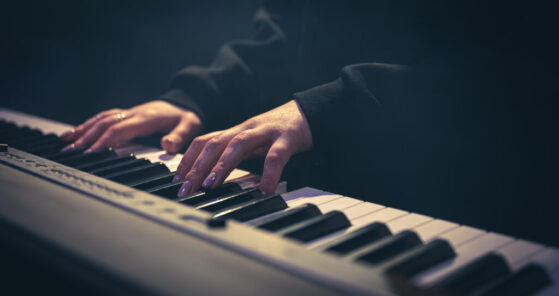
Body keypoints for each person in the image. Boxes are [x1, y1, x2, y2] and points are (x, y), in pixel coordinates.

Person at [60, 1, 558, 244]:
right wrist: (197, 96)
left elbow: (525, 66)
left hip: (483, 209)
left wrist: (327, 107)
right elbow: (292, 23)